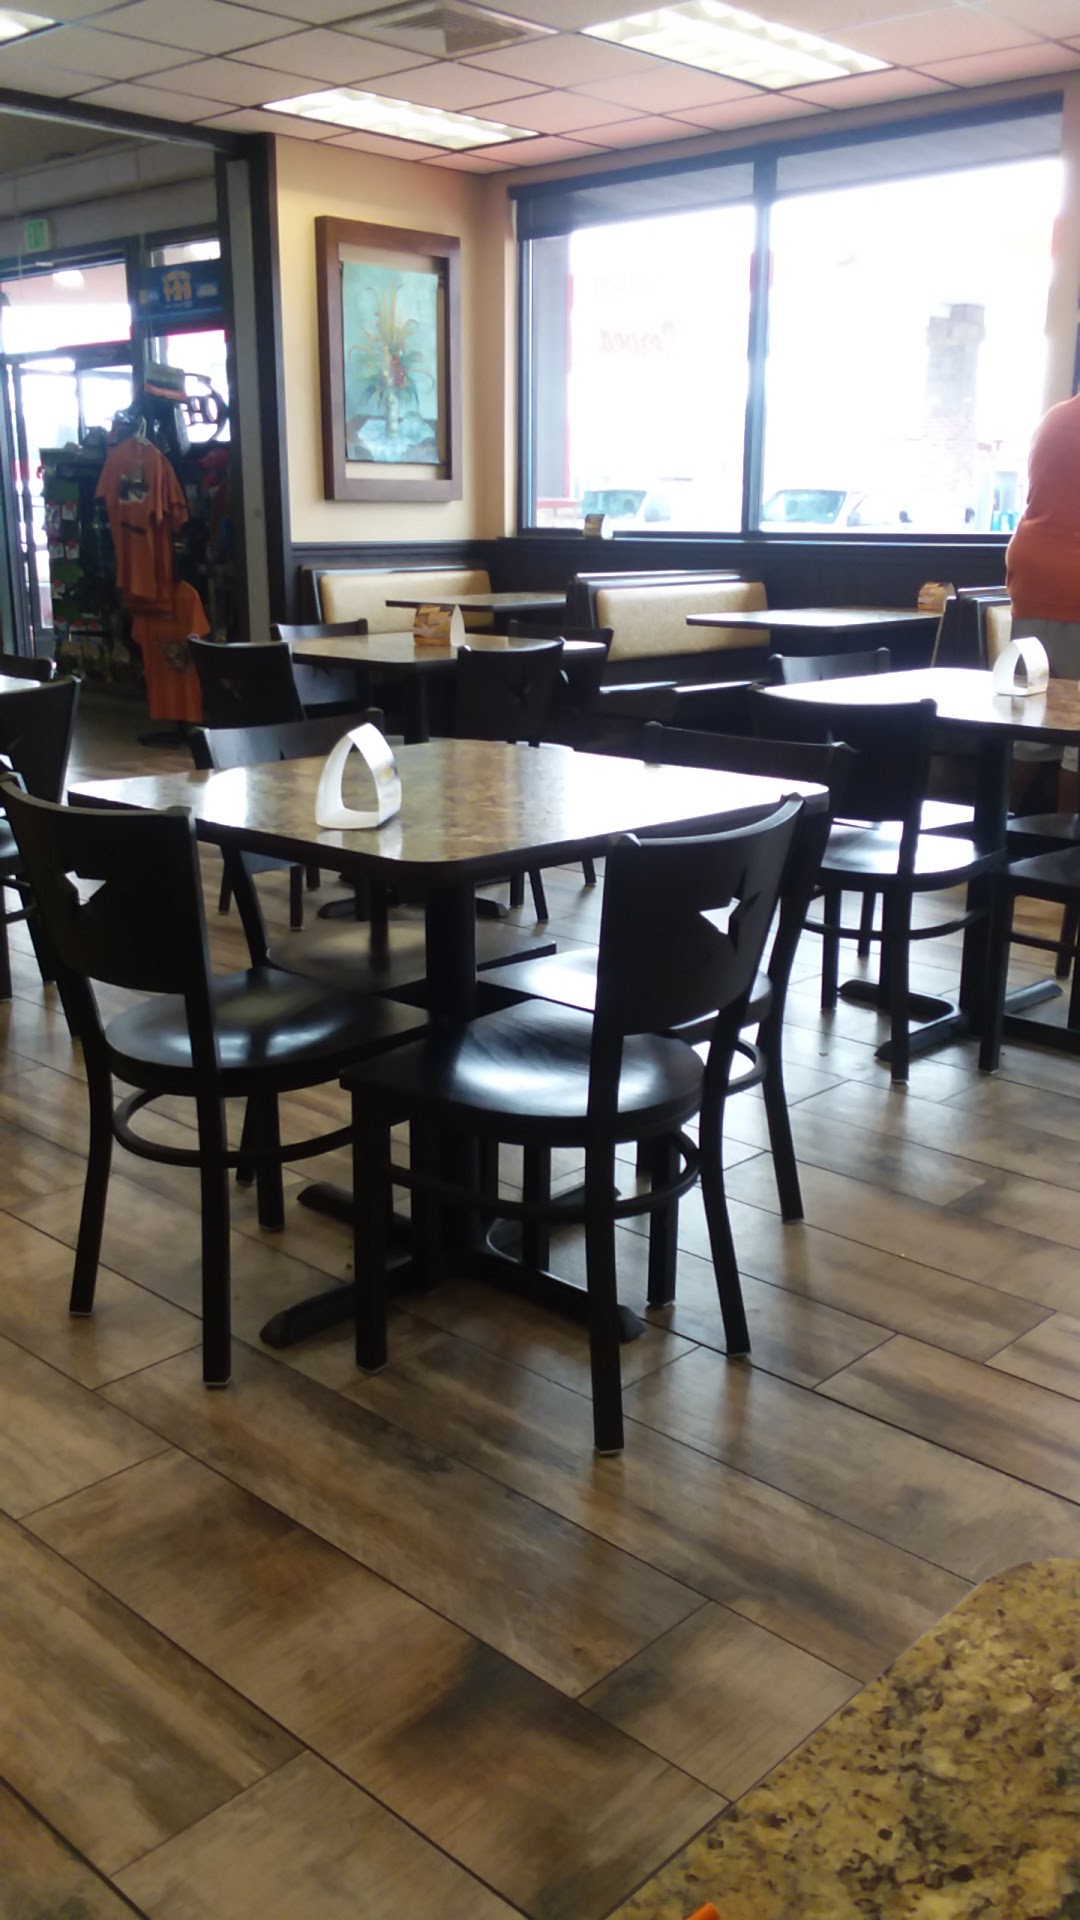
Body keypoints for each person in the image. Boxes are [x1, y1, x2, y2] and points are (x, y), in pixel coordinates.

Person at [1006, 391, 1080, 808]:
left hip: (1034, 579)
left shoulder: (1056, 417)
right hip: (1074, 581)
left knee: (1034, 725)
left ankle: (998, 828)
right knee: (1076, 737)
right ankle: (1064, 843)